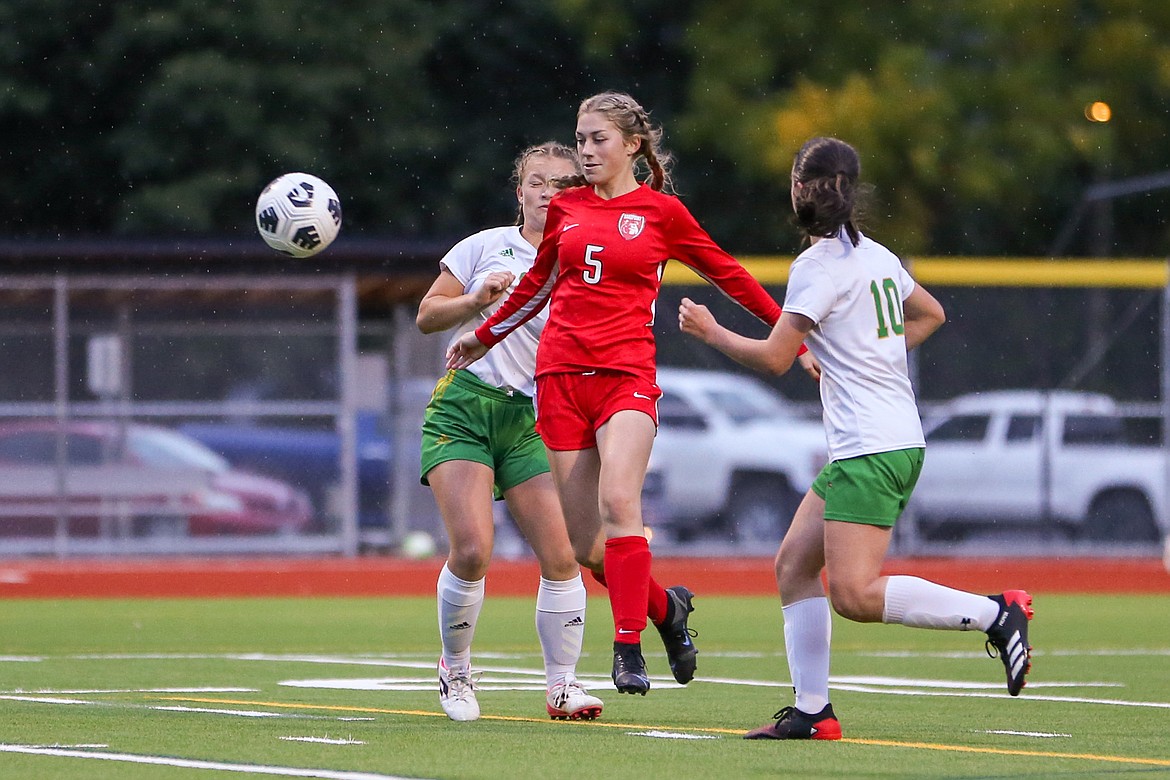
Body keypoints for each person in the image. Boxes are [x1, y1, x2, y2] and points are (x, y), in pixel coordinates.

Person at [447, 91, 814, 696]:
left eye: (599, 140)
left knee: (623, 505)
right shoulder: (566, 209)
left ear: (633, 146)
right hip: (560, 381)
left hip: (626, 377)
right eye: (582, 139)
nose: (587, 151)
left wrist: (792, 341)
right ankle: (667, 611)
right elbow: (536, 286)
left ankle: (626, 650)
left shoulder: (662, 214)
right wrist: (482, 337)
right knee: (590, 550)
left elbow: (731, 274)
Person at [677, 136, 1034, 740]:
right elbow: (931, 315)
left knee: (855, 594)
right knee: (794, 564)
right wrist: (854, 359)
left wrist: (711, 333)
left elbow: (773, 358)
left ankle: (997, 613)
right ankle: (814, 712)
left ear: (799, 188)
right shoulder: (876, 256)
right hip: (884, 439)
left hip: (871, 445)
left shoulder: (817, 267)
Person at [416, 141, 603, 723]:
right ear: (519, 191)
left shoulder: (588, 258)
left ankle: (563, 686)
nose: (550, 192)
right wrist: (474, 298)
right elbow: (427, 315)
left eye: (563, 183)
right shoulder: (483, 247)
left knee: (564, 553)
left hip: (533, 417)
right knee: (472, 550)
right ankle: (456, 670)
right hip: (465, 408)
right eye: (538, 182)